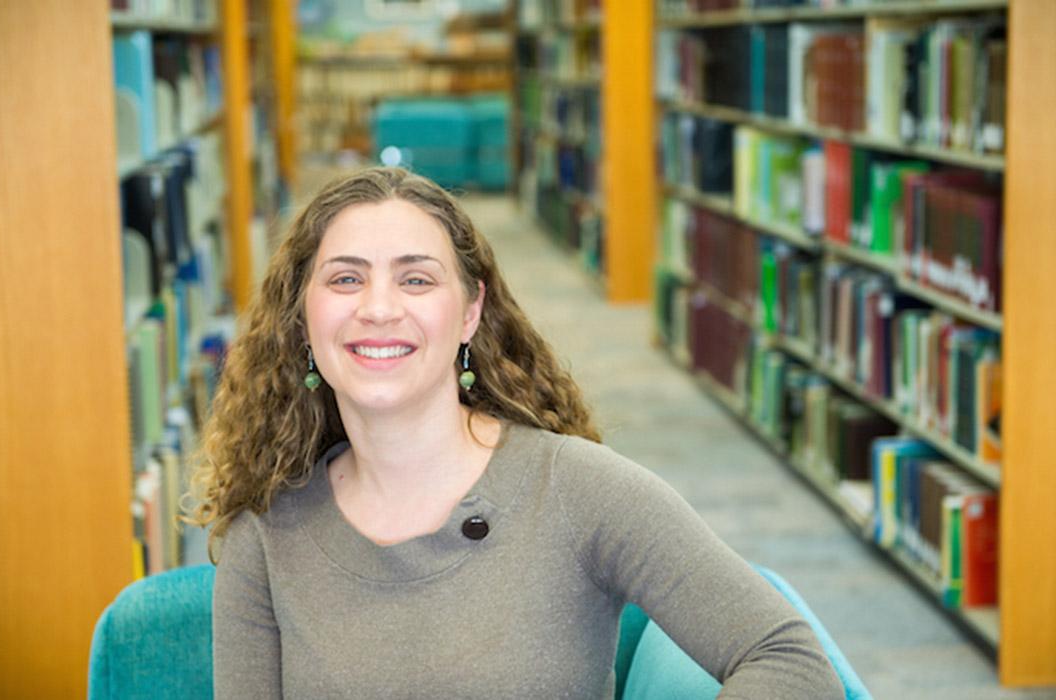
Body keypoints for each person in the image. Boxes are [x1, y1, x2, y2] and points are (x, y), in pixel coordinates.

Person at [189, 166, 843, 698]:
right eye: (345, 279)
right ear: (303, 316)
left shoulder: (578, 489)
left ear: (471, 312)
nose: (378, 307)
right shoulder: (268, 536)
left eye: (416, 279)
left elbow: (787, 658)